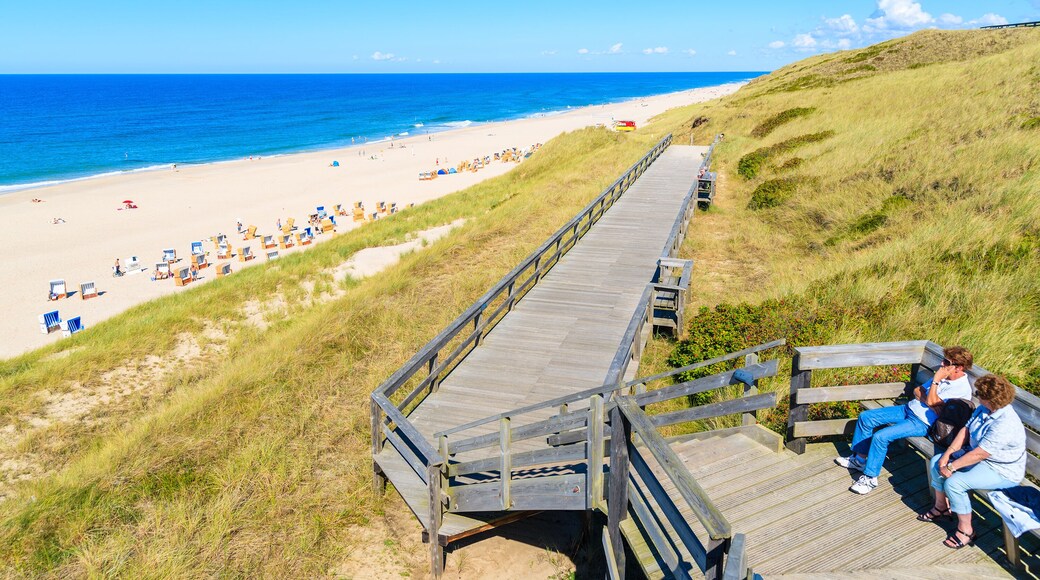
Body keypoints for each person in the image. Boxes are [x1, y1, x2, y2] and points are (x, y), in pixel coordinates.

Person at [836, 346, 974, 494]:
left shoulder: (960, 388)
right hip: (907, 409)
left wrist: (935, 382)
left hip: (922, 422)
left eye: (946, 362)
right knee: (866, 417)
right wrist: (930, 401)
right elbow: (917, 391)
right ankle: (860, 460)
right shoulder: (943, 377)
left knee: (881, 437)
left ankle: (870, 478)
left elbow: (932, 400)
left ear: (958, 368)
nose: (942, 364)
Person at [919, 374, 1025, 548]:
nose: (976, 395)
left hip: (1001, 469)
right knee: (937, 462)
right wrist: (947, 455)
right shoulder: (984, 409)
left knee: (955, 483)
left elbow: (981, 454)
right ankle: (941, 508)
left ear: (990, 399)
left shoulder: (1006, 423)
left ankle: (966, 530)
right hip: (976, 456)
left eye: (979, 393)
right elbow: (966, 431)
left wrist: (952, 466)